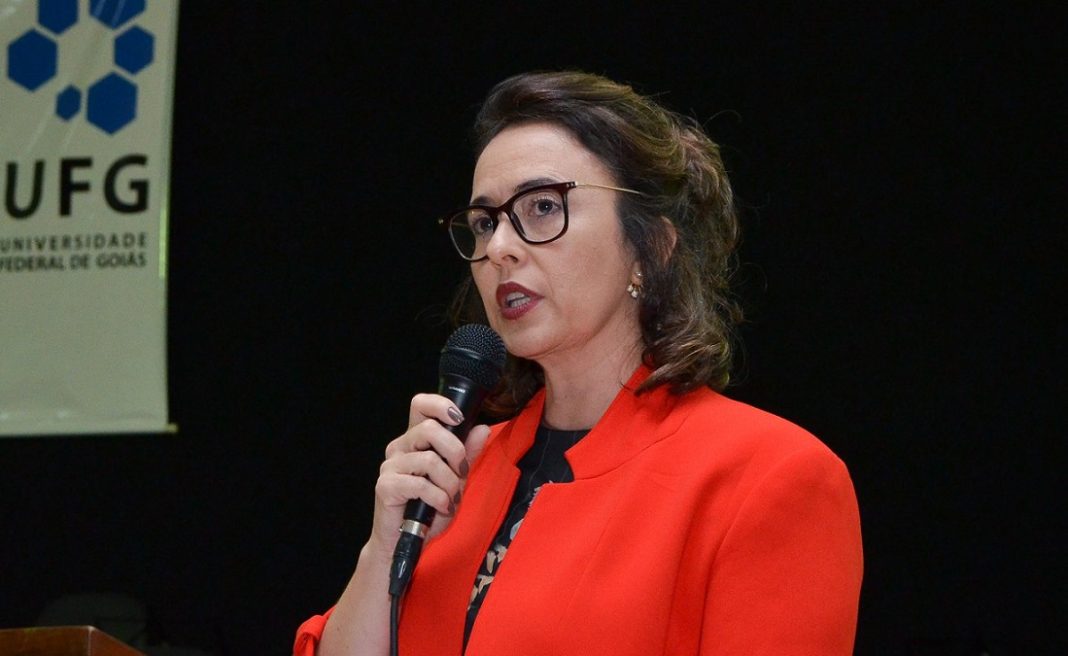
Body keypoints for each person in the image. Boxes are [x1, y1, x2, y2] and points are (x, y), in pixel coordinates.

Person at [294, 70, 862, 656]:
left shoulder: (768, 477)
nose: (499, 248)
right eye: (486, 222)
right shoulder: (459, 472)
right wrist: (385, 546)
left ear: (651, 246)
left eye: (543, 206)